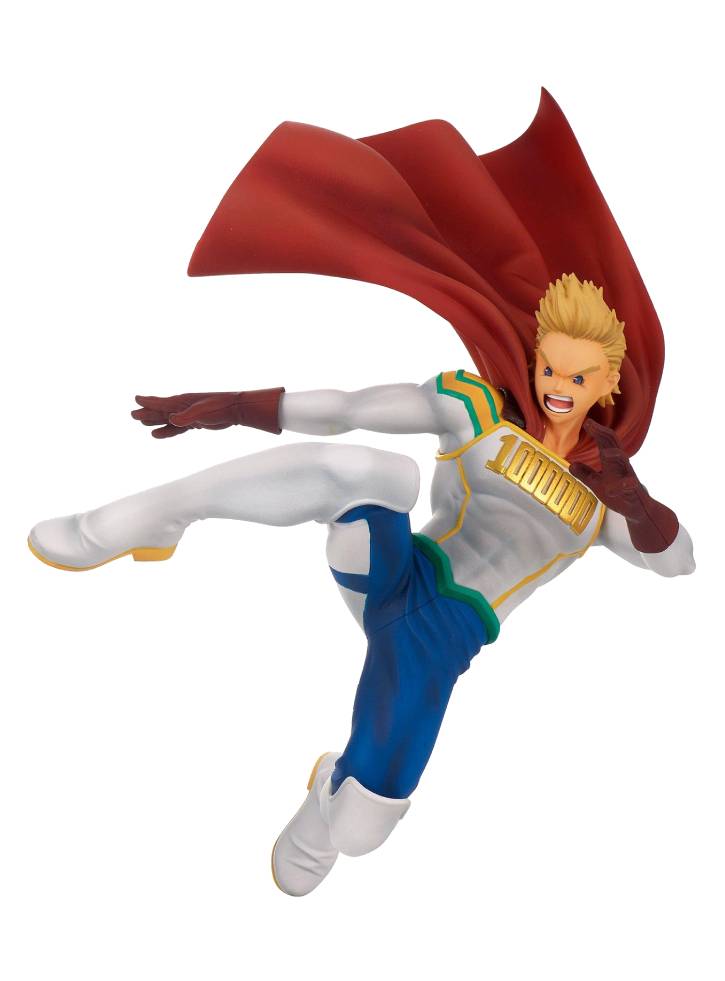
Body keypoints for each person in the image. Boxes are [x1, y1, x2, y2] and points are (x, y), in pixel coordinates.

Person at [27, 274, 694, 896]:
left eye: (577, 376)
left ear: (607, 380)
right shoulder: (477, 406)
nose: (557, 387)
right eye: (549, 368)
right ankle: (146, 519)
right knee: (381, 474)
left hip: (439, 644)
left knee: (360, 833)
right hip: (396, 570)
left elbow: (676, 562)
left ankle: (327, 797)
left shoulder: (606, 497)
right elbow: (349, 409)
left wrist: (635, 501)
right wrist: (238, 406)